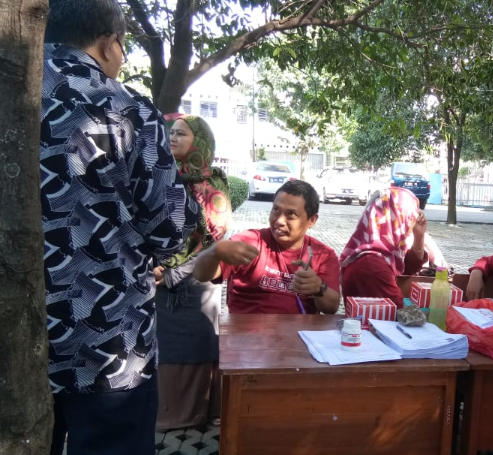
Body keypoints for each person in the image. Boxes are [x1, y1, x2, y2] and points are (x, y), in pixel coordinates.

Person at [41, 1, 199, 454]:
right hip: (105, 340)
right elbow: (169, 231)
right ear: (109, 42)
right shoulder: (124, 108)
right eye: (123, 48)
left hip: (19, 335)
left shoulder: (14, 92)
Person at [154, 115, 232, 430]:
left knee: (195, 345)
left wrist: (171, 272)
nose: (173, 137)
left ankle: (197, 413)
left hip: (196, 284)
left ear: (199, 141)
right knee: (165, 347)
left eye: (181, 134)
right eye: (171, 132)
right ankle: (168, 413)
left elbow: (213, 244)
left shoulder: (213, 189)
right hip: (158, 282)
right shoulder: (162, 176)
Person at [194, 180, 340, 314]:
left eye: (291, 214)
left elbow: (331, 308)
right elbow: (200, 275)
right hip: (246, 332)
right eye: (276, 210)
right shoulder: (251, 242)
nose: (279, 220)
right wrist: (215, 252)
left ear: (312, 220)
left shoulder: (323, 255)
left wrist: (319, 288)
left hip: (300, 333)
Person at [340, 188, 429, 307]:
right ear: (398, 219)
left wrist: (419, 236)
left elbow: (406, 269)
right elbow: (402, 310)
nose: (411, 225)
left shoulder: (378, 254)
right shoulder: (372, 264)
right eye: (410, 218)